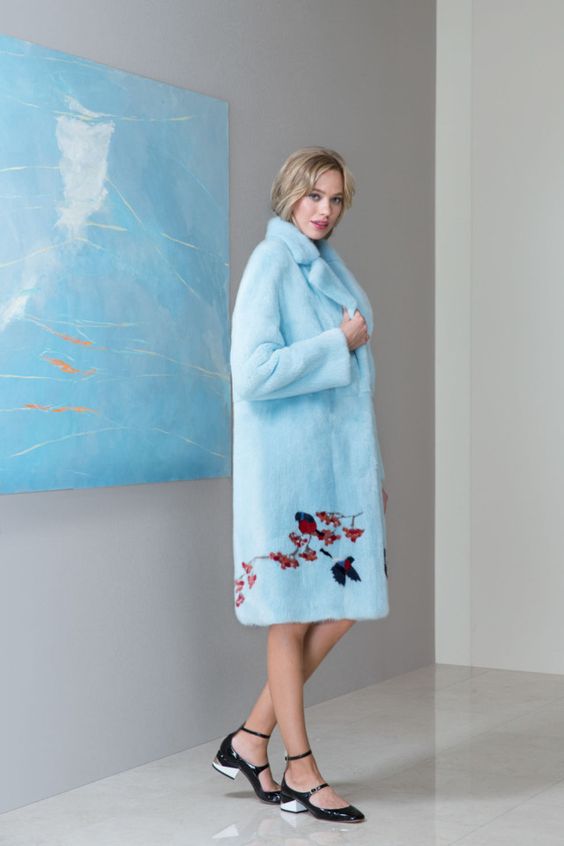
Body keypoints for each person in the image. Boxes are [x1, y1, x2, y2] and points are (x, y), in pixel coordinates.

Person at [212, 147, 389, 823]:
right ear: (290, 194)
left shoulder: (326, 266)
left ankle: (250, 739)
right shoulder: (272, 262)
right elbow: (253, 372)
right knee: (290, 616)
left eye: (336, 199)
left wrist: (371, 478)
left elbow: (354, 401)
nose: (324, 209)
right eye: (314, 195)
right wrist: (335, 345)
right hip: (288, 476)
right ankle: (301, 770)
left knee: (339, 607)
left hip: (336, 476)